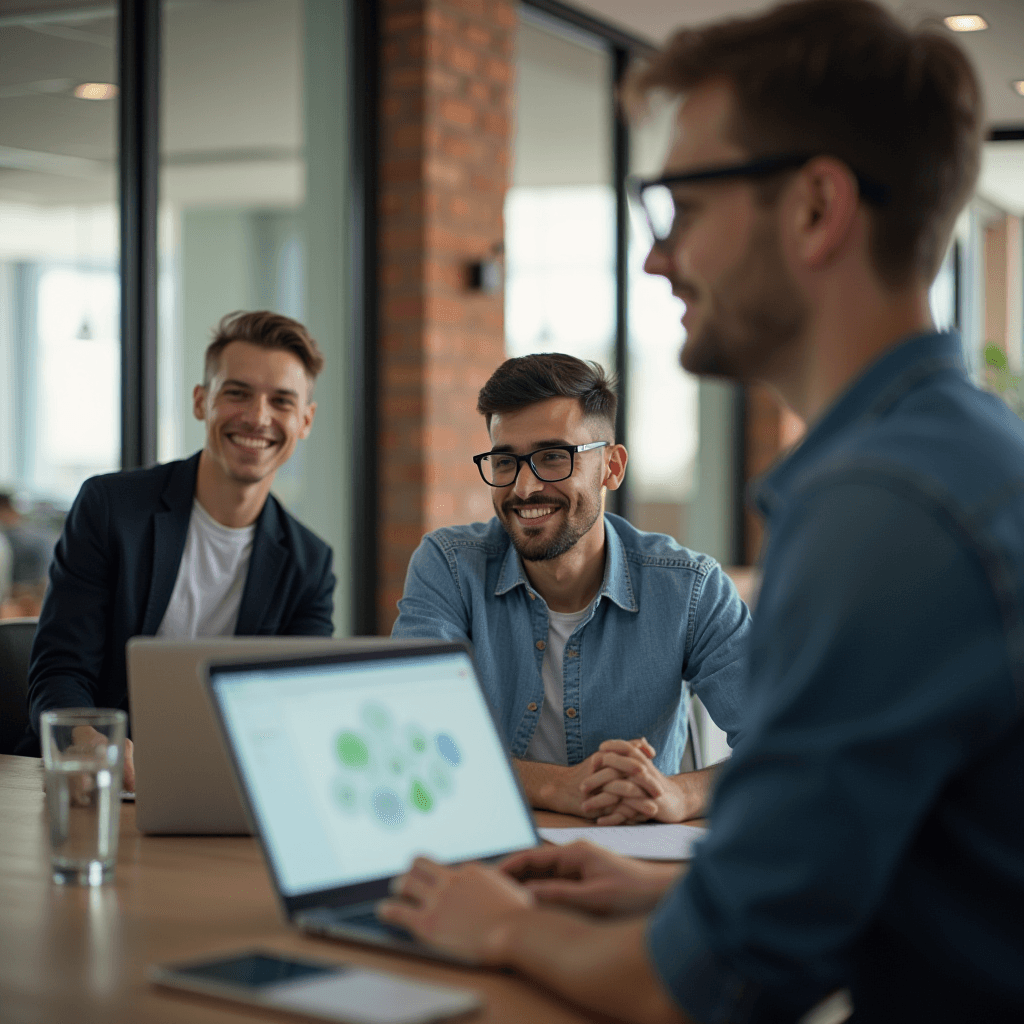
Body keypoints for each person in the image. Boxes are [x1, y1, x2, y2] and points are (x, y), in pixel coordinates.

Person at [377, 1, 1024, 1021]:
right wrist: (667, 885)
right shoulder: (962, 457)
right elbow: (888, 870)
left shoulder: (880, 510)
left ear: (815, 208)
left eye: (682, 206)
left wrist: (499, 922)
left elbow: (713, 984)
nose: (656, 259)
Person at [392, 353, 750, 825]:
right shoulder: (450, 567)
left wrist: (678, 795)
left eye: (552, 458)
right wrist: (559, 787)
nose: (523, 488)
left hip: (633, 860)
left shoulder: (689, 588)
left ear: (612, 467)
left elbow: (784, 743)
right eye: (505, 462)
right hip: (482, 848)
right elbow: (412, 736)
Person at [22, 311, 335, 788]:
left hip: (224, 791)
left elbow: (297, 712)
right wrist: (86, 739)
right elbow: (60, 666)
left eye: (282, 401)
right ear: (200, 401)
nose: (257, 417)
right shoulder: (110, 509)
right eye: (237, 393)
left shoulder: (310, 565)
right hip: (97, 784)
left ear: (305, 421)